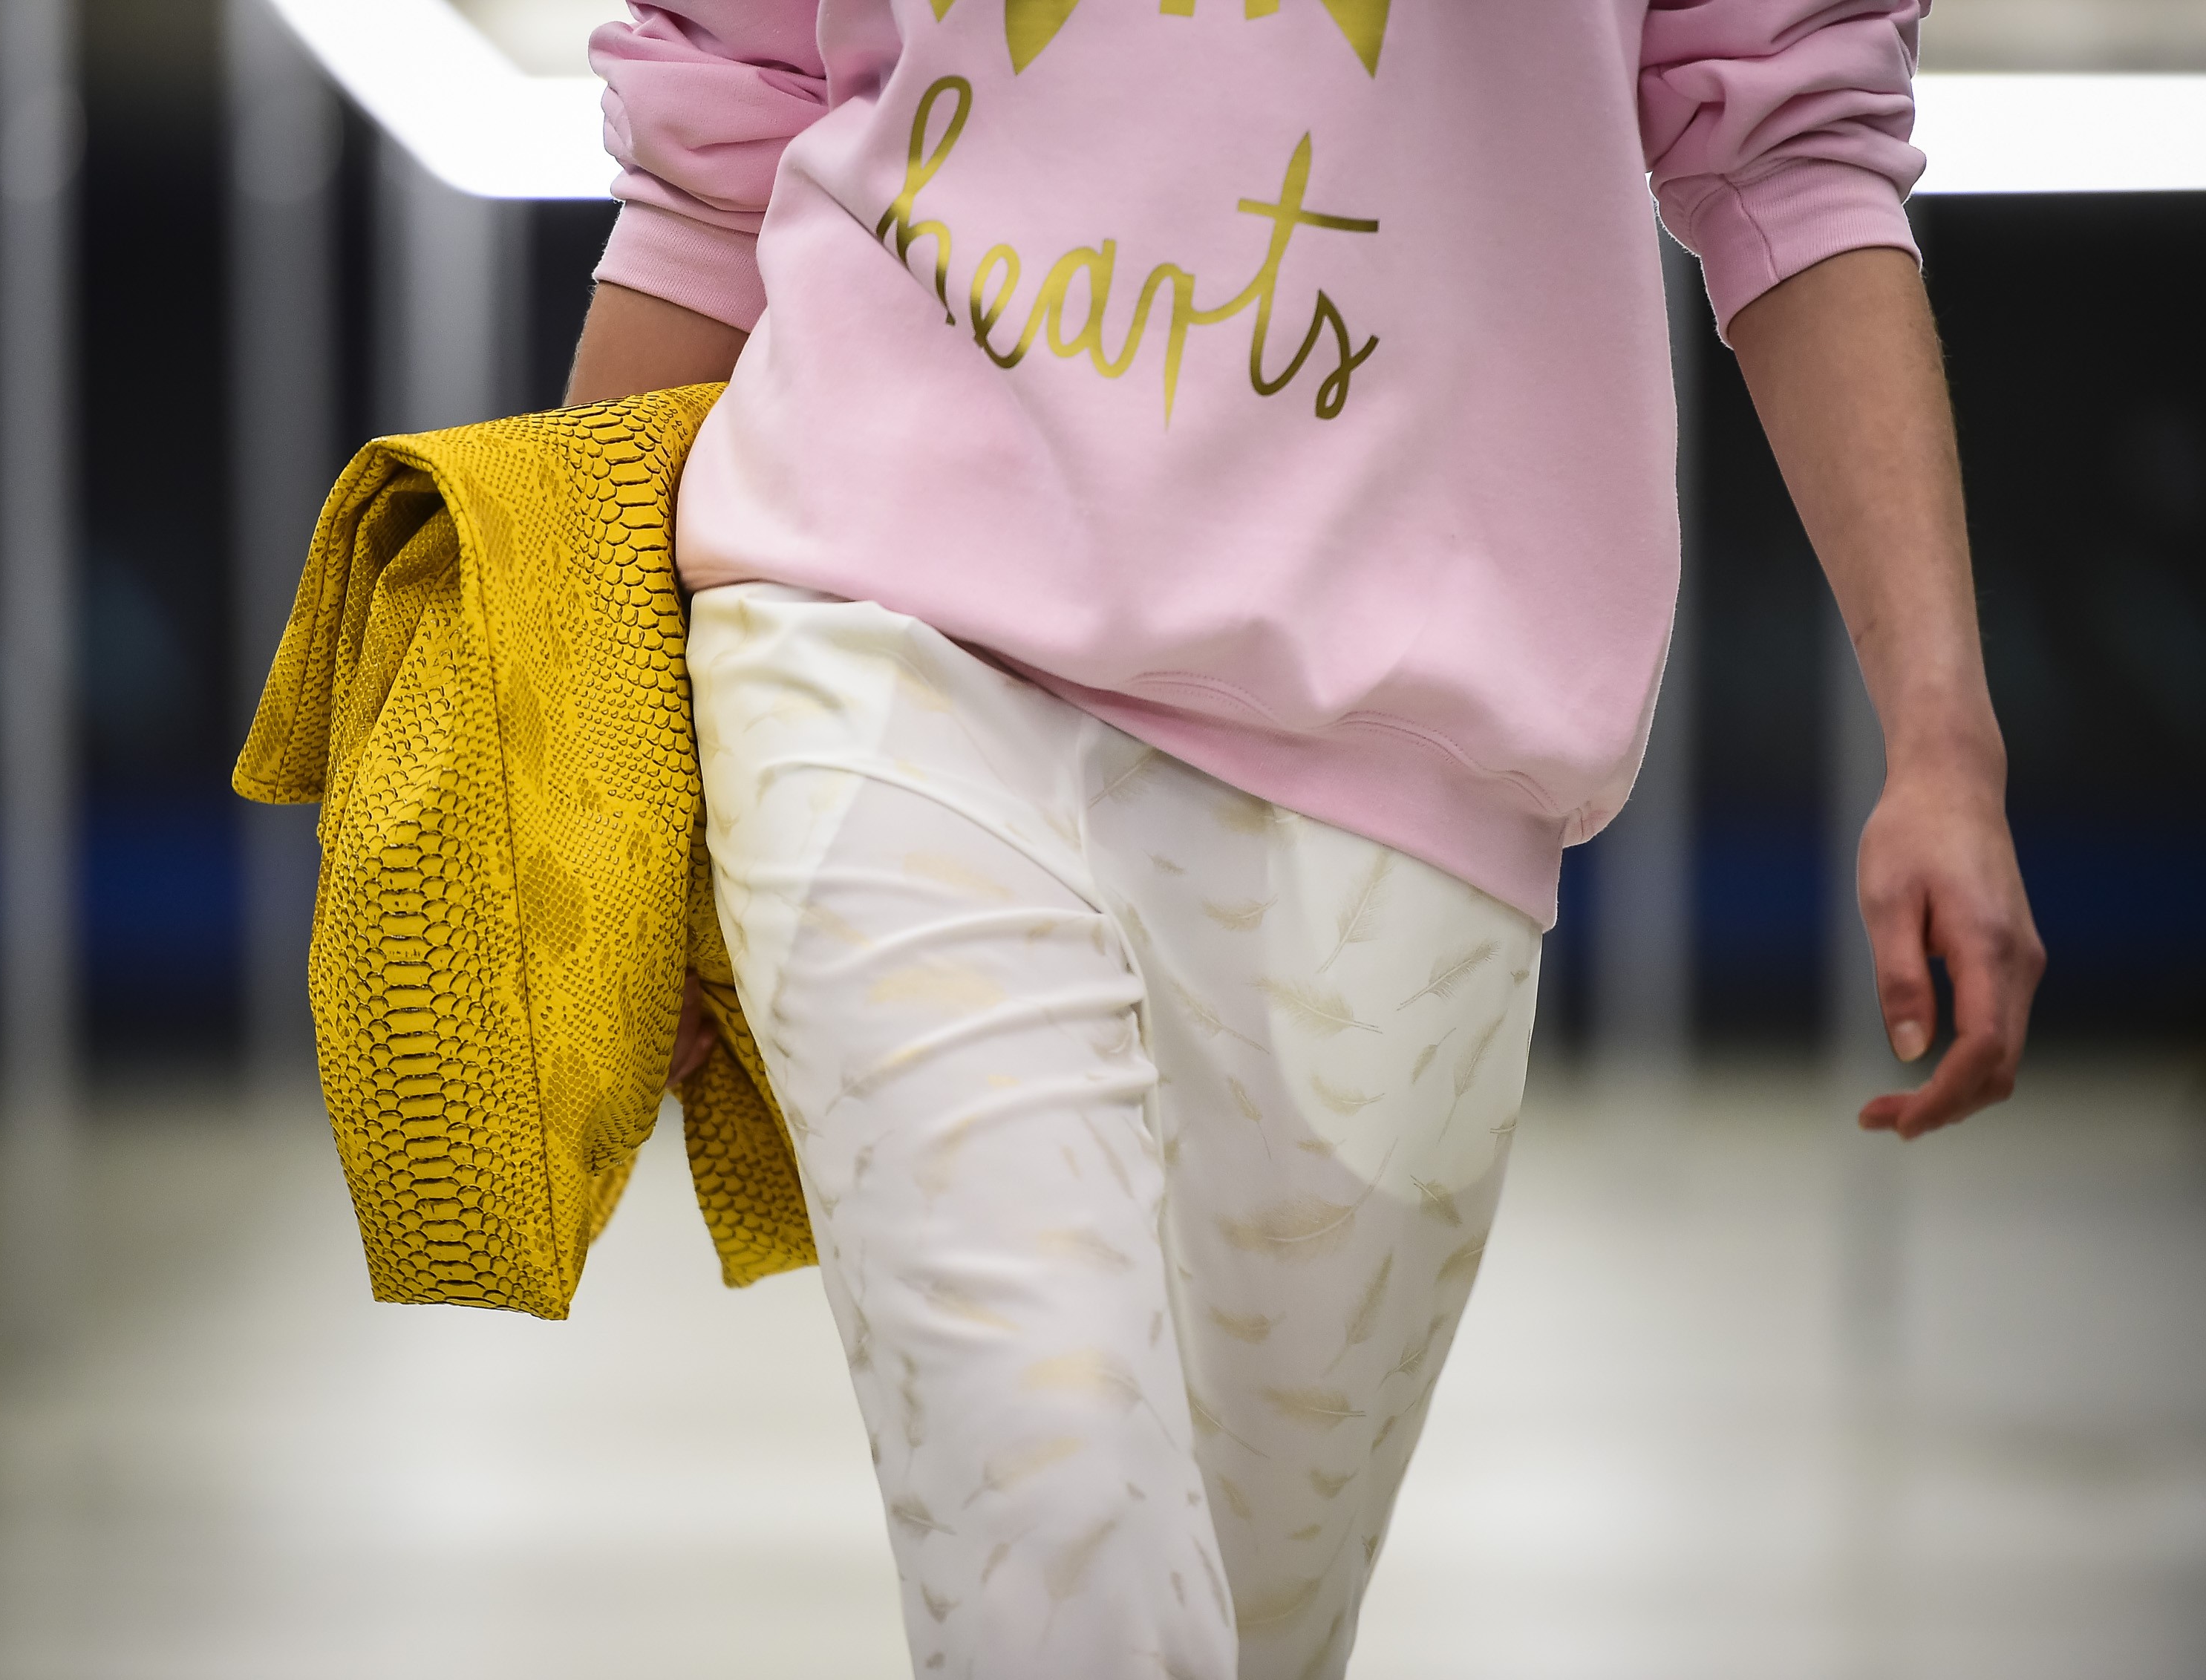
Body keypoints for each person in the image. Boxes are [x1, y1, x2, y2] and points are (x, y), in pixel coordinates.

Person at [565, 2, 2044, 1673]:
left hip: (1401, 744)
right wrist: (597, 775)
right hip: (873, 628)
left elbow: (1789, 131)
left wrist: (1941, 731)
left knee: (1245, 1626)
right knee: (1060, 1539)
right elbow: (724, 108)